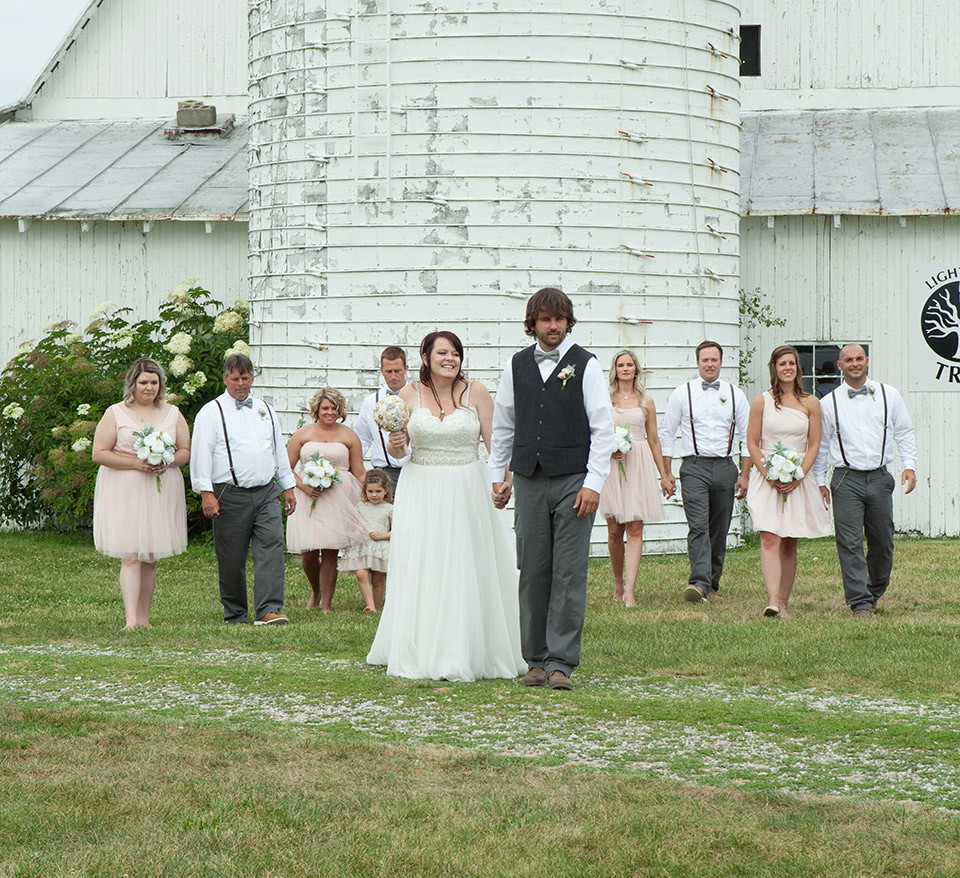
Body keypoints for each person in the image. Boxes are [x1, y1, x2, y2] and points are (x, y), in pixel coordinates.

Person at [367, 331, 525, 682]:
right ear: (425, 357)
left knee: (464, 562)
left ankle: (465, 648)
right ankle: (420, 645)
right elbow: (400, 453)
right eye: (442, 352)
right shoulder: (408, 395)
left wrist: (504, 482)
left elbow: (498, 445)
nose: (449, 358)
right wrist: (396, 441)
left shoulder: (477, 392)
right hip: (421, 485)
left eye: (455, 353)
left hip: (467, 484)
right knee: (424, 562)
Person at [490, 288, 614, 691]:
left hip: (574, 480)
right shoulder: (515, 366)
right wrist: (499, 474)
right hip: (528, 479)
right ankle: (536, 660)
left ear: (568, 322)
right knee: (533, 569)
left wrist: (594, 482)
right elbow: (504, 424)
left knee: (569, 571)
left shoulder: (586, 365)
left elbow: (602, 428)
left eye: (559, 319)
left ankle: (562, 661)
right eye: (545, 319)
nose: (553, 326)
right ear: (533, 324)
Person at [191, 353, 296, 626]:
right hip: (228, 493)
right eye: (235, 378)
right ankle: (235, 613)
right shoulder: (210, 412)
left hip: (265, 492)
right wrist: (205, 491)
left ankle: (268, 609)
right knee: (231, 556)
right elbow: (201, 453)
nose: (241, 384)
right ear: (225, 378)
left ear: (252, 378)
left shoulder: (265, 409)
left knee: (272, 545)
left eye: (246, 378)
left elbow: (277, 449)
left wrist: (288, 486)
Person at [813, 344, 917, 617]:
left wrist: (910, 466)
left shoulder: (888, 394)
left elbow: (905, 432)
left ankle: (874, 591)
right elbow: (821, 446)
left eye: (859, 358)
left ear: (867, 361)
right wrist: (819, 481)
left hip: (881, 477)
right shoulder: (828, 403)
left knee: (883, 541)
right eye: (849, 360)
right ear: (839, 365)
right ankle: (859, 602)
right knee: (849, 543)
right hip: (845, 479)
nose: (855, 363)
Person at [92, 358, 190, 629]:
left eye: (154, 382)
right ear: (132, 384)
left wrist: (166, 461)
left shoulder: (173, 413)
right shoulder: (115, 413)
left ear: (161, 385)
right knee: (131, 554)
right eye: (143, 382)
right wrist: (137, 463)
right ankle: (130, 620)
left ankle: (145, 619)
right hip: (125, 489)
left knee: (150, 556)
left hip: (159, 490)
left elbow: (185, 450)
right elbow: (99, 453)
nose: (149, 388)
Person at [660, 340, 750, 603]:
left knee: (718, 528)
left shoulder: (736, 394)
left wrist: (744, 475)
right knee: (698, 525)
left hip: (725, 466)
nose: (709, 364)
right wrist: (666, 473)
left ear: (721, 362)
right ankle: (698, 583)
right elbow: (667, 434)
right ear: (697, 362)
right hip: (694, 466)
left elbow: (747, 437)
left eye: (714, 360)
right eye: (705, 360)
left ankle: (712, 585)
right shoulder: (682, 393)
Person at [746, 345, 831, 618]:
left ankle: (783, 601)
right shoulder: (762, 401)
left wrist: (799, 475)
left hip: (798, 476)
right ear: (774, 368)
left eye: (792, 364)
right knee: (770, 536)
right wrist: (767, 472)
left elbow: (815, 443)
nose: (787, 368)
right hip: (767, 477)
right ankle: (771, 599)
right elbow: (752, 441)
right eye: (782, 364)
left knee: (790, 540)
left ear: (798, 368)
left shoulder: (810, 403)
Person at [286, 387, 368, 612]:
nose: (330, 412)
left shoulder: (349, 435)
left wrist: (371, 492)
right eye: (325, 408)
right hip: (308, 496)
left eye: (334, 408)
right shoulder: (303, 434)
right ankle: (316, 590)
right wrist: (302, 487)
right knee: (309, 555)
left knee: (331, 552)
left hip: (338, 497)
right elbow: (285, 468)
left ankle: (327, 605)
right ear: (317, 410)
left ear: (340, 410)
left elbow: (359, 470)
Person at [598, 349, 668, 607]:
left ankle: (630, 590)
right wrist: (610, 448)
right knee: (615, 530)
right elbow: (597, 434)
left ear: (636, 369)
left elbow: (653, 439)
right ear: (615, 370)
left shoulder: (646, 401)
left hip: (637, 464)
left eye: (629, 364)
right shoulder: (606, 400)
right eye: (621, 365)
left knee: (635, 528)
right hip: (613, 466)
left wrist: (664, 475)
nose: (625, 369)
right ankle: (618, 581)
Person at [354, 346, 411, 493]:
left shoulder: (417, 398)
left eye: (397, 371)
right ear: (381, 371)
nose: (393, 376)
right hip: (383, 474)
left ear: (406, 369)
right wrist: (355, 470)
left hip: (413, 471)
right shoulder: (370, 402)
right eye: (388, 371)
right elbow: (362, 439)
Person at [340, 468, 393, 613]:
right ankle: (370, 604)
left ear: (385, 491)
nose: (374, 495)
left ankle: (375, 606)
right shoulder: (361, 507)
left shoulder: (389, 509)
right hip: (363, 545)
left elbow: (396, 531)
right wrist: (357, 528)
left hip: (379, 547)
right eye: (370, 492)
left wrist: (382, 535)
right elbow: (356, 523)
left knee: (377, 580)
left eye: (378, 491)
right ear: (365, 491)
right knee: (361, 573)